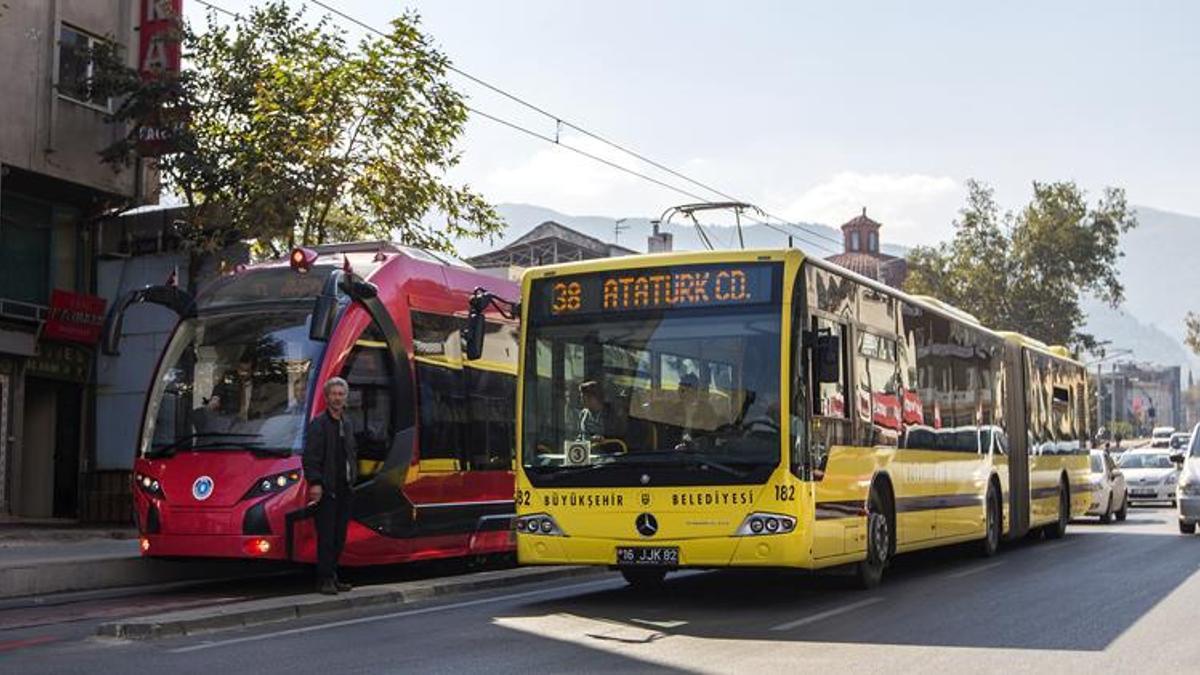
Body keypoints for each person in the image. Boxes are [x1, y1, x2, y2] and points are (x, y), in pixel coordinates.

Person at [302, 377, 358, 595]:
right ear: (326, 398)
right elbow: (311, 457)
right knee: (326, 536)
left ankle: (333, 576)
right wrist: (315, 483)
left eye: (341, 394)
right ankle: (324, 579)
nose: (337, 398)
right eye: (333, 394)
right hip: (327, 489)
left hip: (345, 488)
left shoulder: (348, 422)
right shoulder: (319, 424)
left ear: (345, 398)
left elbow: (351, 452)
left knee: (339, 536)